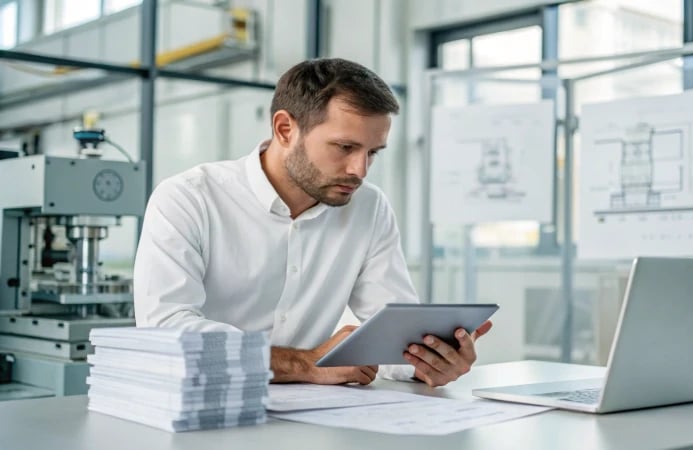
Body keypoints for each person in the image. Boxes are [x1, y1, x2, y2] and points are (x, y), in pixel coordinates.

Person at [133, 58, 492, 387]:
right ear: (285, 129)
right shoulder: (189, 199)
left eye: (373, 153)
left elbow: (389, 328)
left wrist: (427, 359)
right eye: (344, 148)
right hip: (195, 407)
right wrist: (302, 364)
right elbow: (163, 332)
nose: (360, 170)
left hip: (310, 416)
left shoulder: (369, 207)